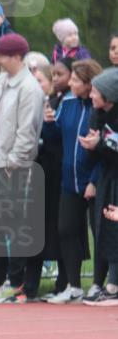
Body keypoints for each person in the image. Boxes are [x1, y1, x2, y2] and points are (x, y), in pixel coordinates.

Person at [0, 33, 46, 304]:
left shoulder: (30, 88)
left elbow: (27, 133)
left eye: (2, 55)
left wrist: (13, 164)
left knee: (13, 224)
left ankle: (15, 283)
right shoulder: (3, 80)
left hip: (11, 165)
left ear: (15, 57)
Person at [44, 59, 102, 303]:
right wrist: (48, 124)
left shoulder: (100, 107)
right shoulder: (66, 103)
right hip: (69, 181)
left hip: (93, 182)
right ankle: (74, 285)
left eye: (76, 80)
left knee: (98, 233)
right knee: (65, 229)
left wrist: (95, 180)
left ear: (89, 84)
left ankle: (100, 284)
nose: (70, 83)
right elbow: (54, 136)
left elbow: (105, 150)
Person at [79, 68, 118, 306]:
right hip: (106, 178)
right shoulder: (96, 115)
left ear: (110, 95)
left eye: (96, 91)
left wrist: (101, 145)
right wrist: (91, 147)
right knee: (102, 228)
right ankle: (105, 282)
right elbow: (95, 158)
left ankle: (114, 285)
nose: (91, 95)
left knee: (115, 230)